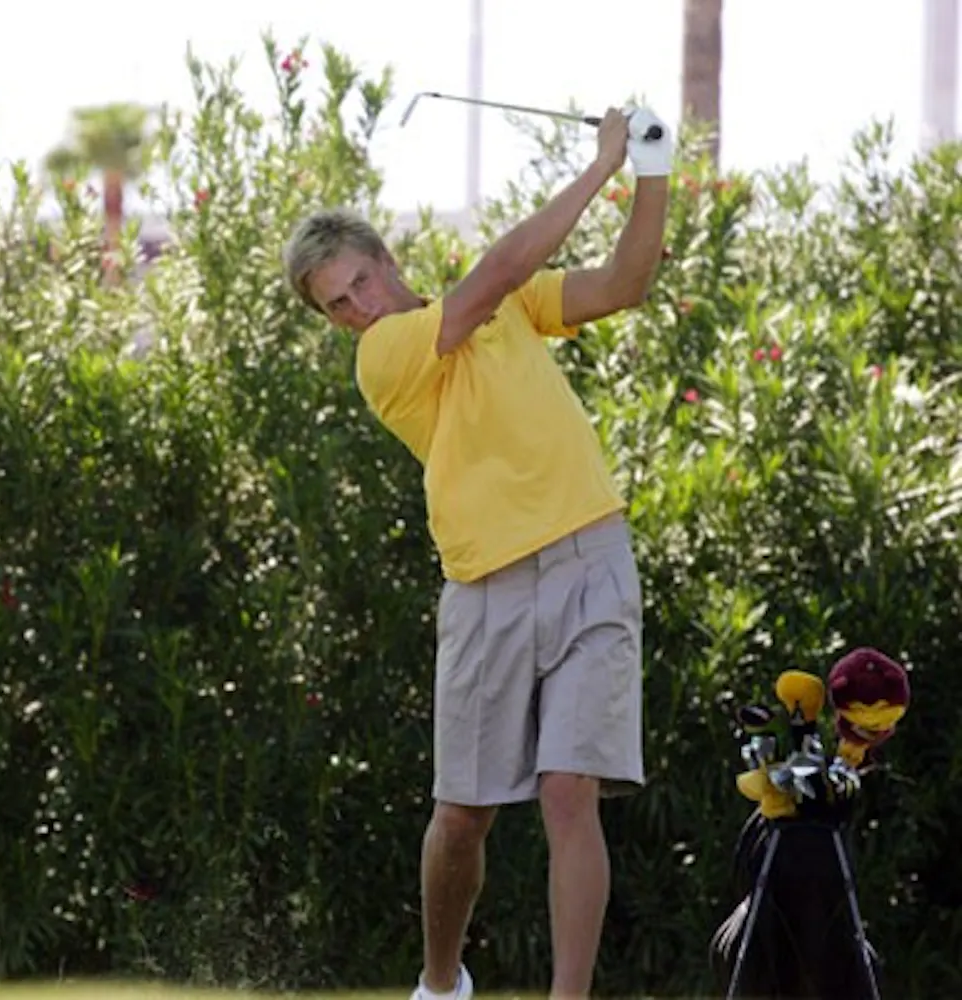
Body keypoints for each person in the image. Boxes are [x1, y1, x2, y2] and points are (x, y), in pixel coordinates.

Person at [280, 106, 672, 1000]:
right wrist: (600, 165)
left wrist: (652, 167)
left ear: (386, 262)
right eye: (334, 304)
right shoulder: (386, 354)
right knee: (462, 818)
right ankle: (441, 981)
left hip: (589, 562)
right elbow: (497, 269)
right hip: (485, 590)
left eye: (358, 284)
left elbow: (624, 281)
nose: (354, 310)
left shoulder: (509, 313)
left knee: (569, 792)